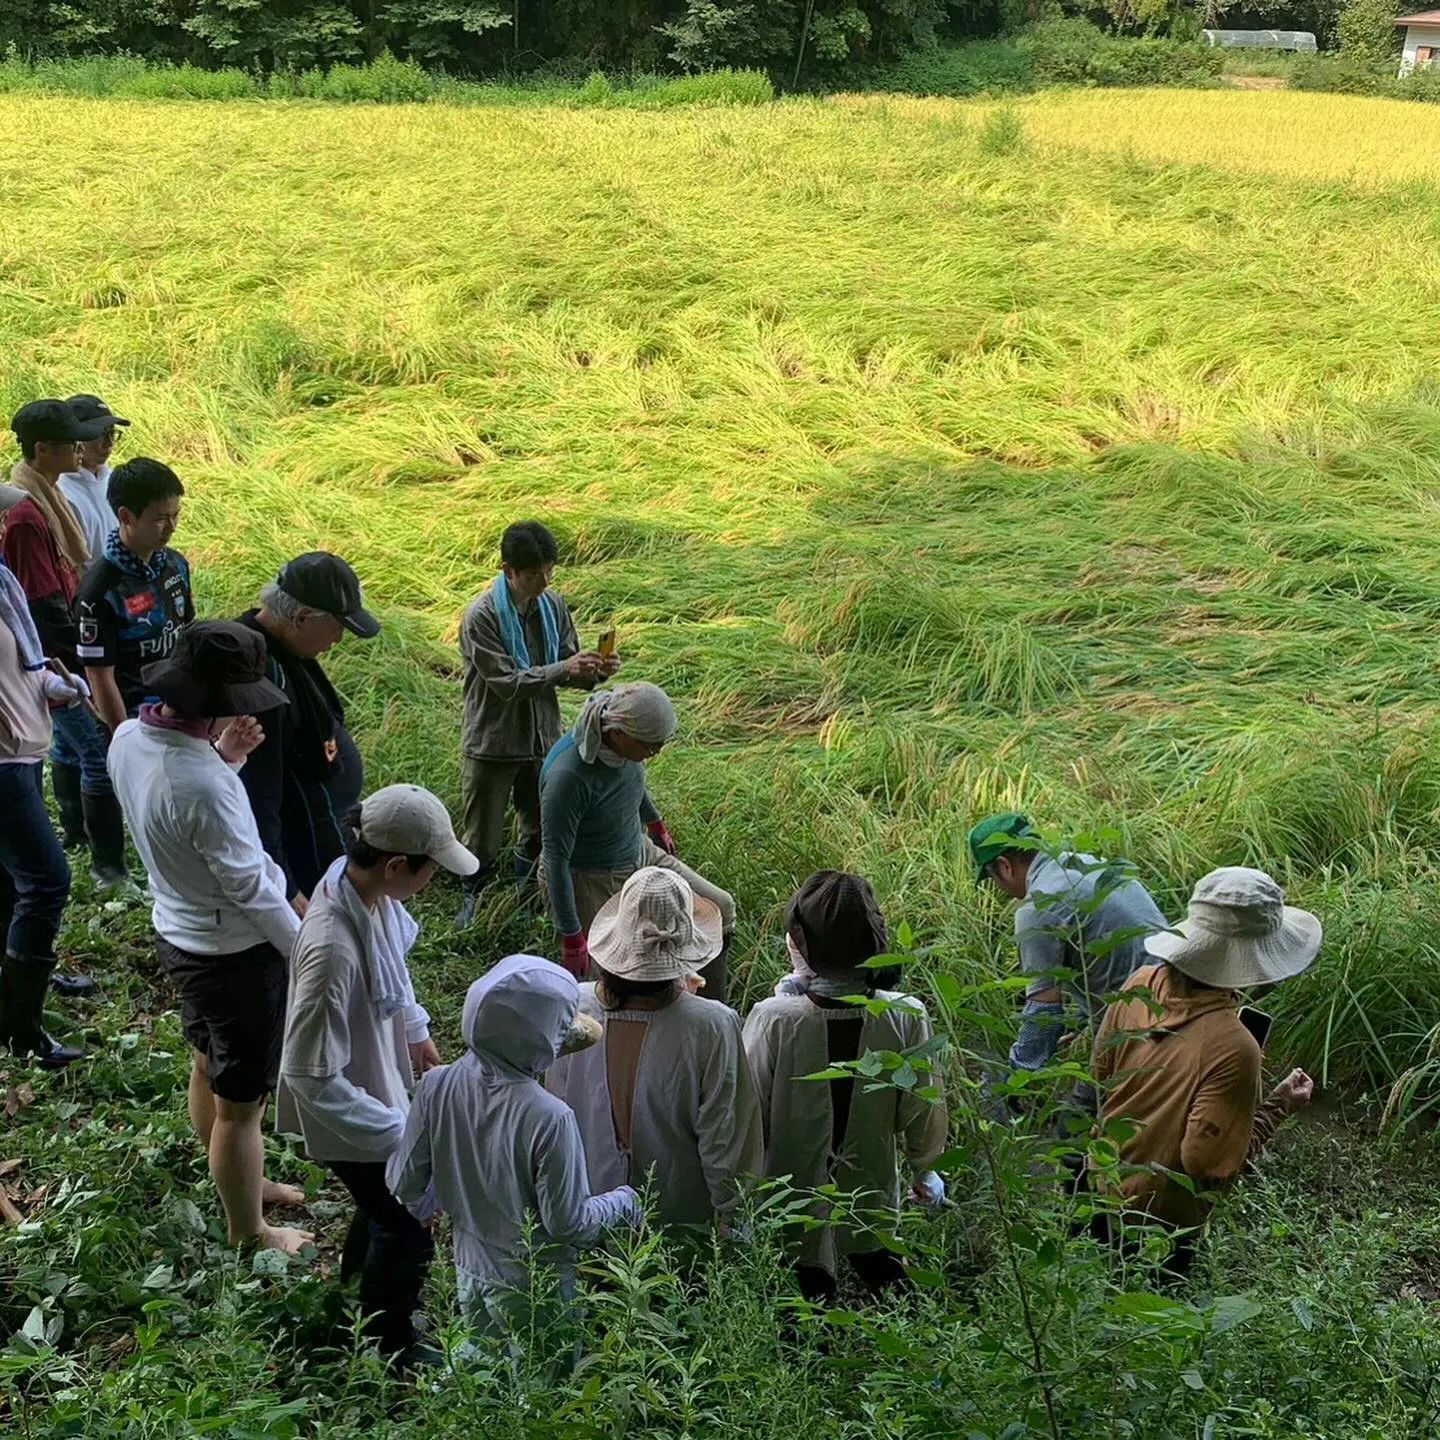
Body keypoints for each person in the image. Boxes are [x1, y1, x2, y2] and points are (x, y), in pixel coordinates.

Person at [108, 621, 312, 1255]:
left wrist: (225, 756)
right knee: (241, 1104)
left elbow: (178, 813)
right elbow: (252, 887)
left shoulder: (127, 739)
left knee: (209, 1062)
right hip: (233, 954)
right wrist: (305, 951)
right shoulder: (200, 784)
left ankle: (233, 1174)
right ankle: (249, 1230)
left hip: (179, 931)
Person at [277, 785, 478, 1364]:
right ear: (395, 864)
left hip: (374, 1079)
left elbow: (395, 978)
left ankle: (356, 1290)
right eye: (429, 871)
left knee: (380, 1206)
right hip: (348, 1108)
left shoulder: (365, 894)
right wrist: (402, 1138)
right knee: (408, 1222)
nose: (430, 882)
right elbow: (308, 1074)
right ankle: (390, 1347)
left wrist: (416, 1035)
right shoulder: (332, 949)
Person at [387, 954, 642, 1337]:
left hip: (470, 1267)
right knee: (545, 1381)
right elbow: (567, 1222)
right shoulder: (550, 1118)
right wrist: (626, 1202)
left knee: (484, 1365)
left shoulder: (437, 1084)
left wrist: (430, 1202)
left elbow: (405, 1180)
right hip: (537, 1283)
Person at [1090, 867, 1318, 1276]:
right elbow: (1207, 1165)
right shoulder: (1234, 1047)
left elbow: (1101, 1078)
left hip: (1100, 1187)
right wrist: (1277, 1107)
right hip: (1161, 1229)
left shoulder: (1140, 984)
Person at [743, 871, 948, 1303]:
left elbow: (748, 1111)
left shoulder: (775, 1017)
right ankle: (917, 1348)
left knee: (801, 1289)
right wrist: (924, 1168)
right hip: (871, 1184)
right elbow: (921, 1105)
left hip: (788, 1196)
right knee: (881, 1269)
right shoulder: (906, 1014)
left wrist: (741, 1191)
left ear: (799, 947)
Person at [545, 868, 762, 1231]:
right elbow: (726, 1139)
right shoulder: (713, 1024)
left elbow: (557, 1102)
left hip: (586, 1209)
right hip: (681, 1221)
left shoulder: (573, 1006)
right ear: (685, 953)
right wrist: (734, 1218)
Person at [455, 521, 617, 927]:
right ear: (509, 570)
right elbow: (507, 683)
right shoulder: (483, 615)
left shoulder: (553, 606)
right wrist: (565, 666)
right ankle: (474, 900)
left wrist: (596, 670)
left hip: (541, 737)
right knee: (482, 836)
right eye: (533, 574)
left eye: (549, 571)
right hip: (493, 739)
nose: (544, 581)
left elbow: (567, 667)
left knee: (540, 828)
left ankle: (525, 898)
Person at [539, 682, 735, 1000]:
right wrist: (571, 934)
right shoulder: (569, 777)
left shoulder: (625, 749)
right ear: (618, 733)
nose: (655, 753)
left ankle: (708, 1008)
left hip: (639, 850)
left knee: (720, 908)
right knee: (609, 976)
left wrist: (655, 823)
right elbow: (554, 857)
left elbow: (633, 782)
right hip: (591, 876)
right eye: (651, 746)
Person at [3, 399, 129, 890]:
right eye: (69, 443)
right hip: (54, 654)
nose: (81, 449)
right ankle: (107, 867)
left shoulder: (46, 499)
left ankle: (74, 838)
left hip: (59, 647)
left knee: (72, 750)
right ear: (42, 450)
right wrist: (72, 667)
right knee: (97, 752)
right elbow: (41, 603)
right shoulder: (29, 516)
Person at [968, 813, 1168, 1079]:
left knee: (1079, 1109)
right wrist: (1084, 1024)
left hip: (1142, 1029)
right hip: (1181, 995)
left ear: (1005, 866)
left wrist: (1018, 1076)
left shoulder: (1037, 906)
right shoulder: (1090, 865)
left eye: (993, 879)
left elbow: (1044, 1012)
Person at [235, 553, 379, 912]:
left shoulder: (285, 649)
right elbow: (259, 794)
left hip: (325, 825)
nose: (340, 639)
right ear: (301, 618)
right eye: (337, 627)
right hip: (304, 850)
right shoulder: (262, 679)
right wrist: (285, 885)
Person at [0, 556, 89, 1065]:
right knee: (47, 879)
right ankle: (20, 1026)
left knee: (11, 881)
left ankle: (16, 985)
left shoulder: (4, 582)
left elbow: (18, 667)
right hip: (3, 764)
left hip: (23, 750)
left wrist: (51, 687)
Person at [74, 458, 191, 733]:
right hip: (133, 721)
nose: (171, 527)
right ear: (126, 516)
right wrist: (124, 738)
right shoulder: (99, 591)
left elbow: (187, 634)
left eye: (176, 515)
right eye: (160, 519)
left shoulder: (176, 565)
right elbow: (99, 676)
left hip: (177, 713)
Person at [58, 395, 129, 560]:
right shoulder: (61, 492)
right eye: (99, 434)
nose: (109, 443)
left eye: (112, 433)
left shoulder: (114, 480)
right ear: (75, 437)